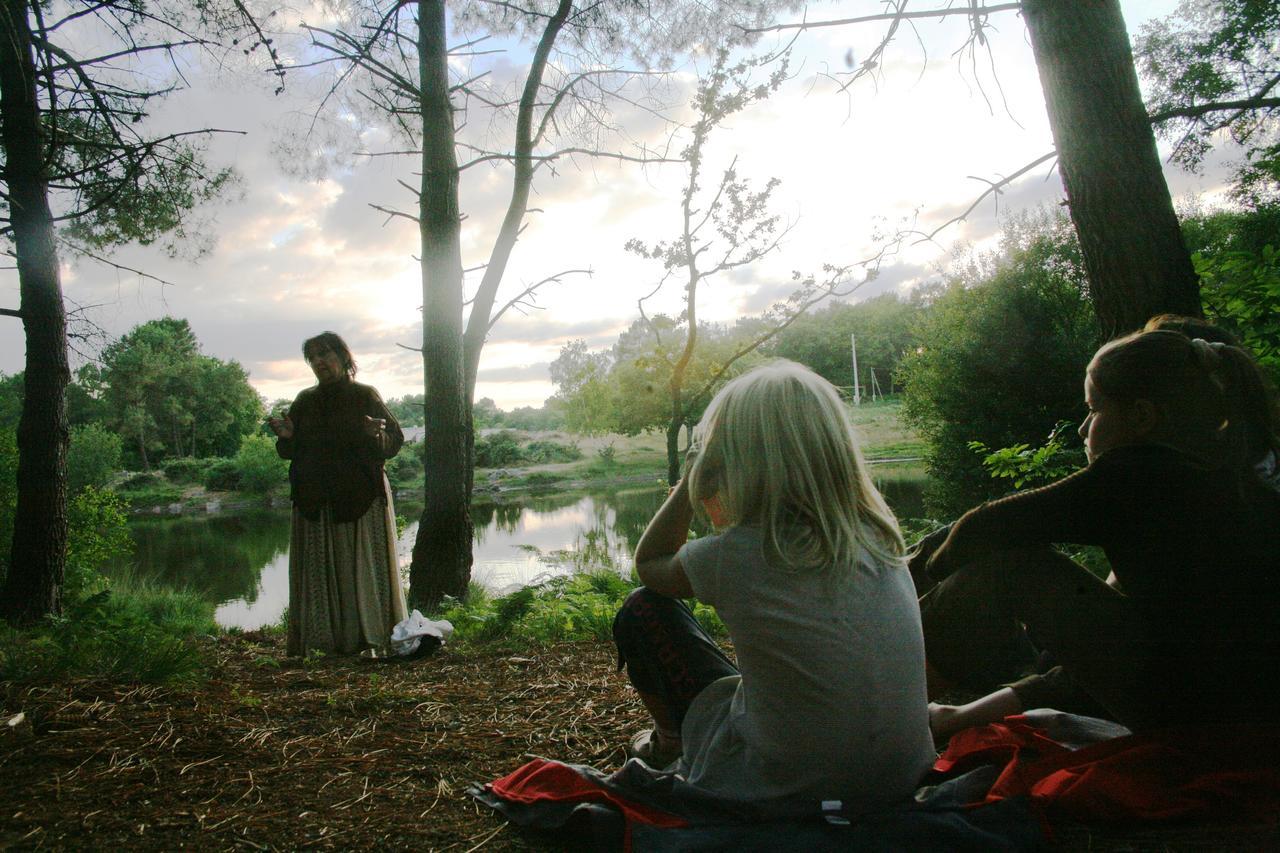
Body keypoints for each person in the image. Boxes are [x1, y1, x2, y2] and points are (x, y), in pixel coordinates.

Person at [920, 329, 1280, 738]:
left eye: (1094, 410)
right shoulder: (1238, 476)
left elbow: (984, 526)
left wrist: (934, 574)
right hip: (1237, 704)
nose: (1083, 428)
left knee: (1011, 564)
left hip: (1196, 712)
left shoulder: (1138, 473)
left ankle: (886, 696)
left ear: (1142, 417)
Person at [611, 360, 935, 810]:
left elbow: (649, 564)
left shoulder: (740, 551)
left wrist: (691, 481)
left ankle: (670, 745)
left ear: (735, 457)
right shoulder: (878, 536)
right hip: (900, 775)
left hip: (789, 785)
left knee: (643, 608)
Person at [269, 332, 407, 657]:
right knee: (320, 571)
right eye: (313, 357)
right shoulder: (305, 401)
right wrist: (289, 436)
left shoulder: (364, 396)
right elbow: (291, 451)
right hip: (315, 498)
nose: (319, 362)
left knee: (360, 568)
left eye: (325, 354)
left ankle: (367, 639)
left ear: (343, 357)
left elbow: (394, 442)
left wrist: (377, 435)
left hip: (358, 496)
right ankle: (322, 642)